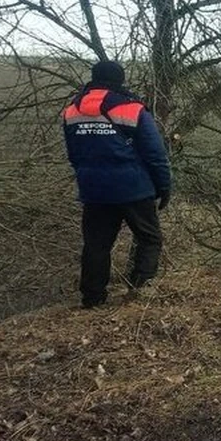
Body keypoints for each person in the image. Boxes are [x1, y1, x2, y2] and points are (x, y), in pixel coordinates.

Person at [62, 60, 172, 308]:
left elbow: (72, 154)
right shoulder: (132, 109)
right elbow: (155, 154)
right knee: (150, 239)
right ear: (119, 80)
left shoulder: (72, 111)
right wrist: (163, 187)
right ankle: (139, 292)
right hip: (133, 187)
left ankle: (92, 298)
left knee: (96, 245)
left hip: (94, 191)